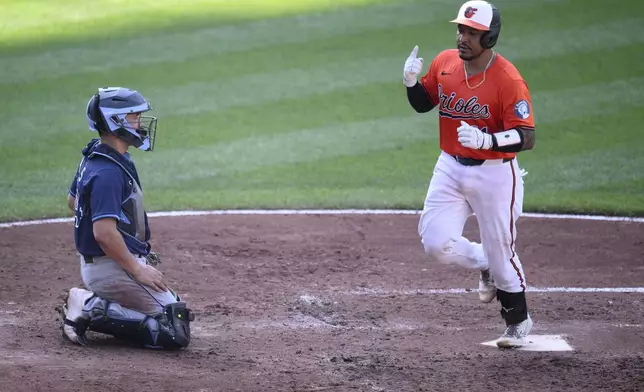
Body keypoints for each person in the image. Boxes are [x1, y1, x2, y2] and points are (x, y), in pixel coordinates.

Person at [402, 0, 536, 348]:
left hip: (495, 174)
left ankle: (518, 322)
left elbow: (527, 136)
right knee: (435, 241)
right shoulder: (445, 62)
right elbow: (424, 102)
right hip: (449, 166)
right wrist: (411, 83)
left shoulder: (508, 79)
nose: (462, 37)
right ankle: (484, 262)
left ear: (489, 38)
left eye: (471, 33)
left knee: (502, 249)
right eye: (461, 29)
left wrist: (487, 139)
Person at [59, 87, 194, 349]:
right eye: (134, 117)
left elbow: (73, 201)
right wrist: (136, 268)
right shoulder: (108, 172)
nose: (140, 124)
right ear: (115, 120)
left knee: (173, 304)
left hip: (106, 263)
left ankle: (105, 299)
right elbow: (103, 233)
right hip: (111, 268)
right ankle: (88, 305)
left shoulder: (98, 155)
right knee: (173, 330)